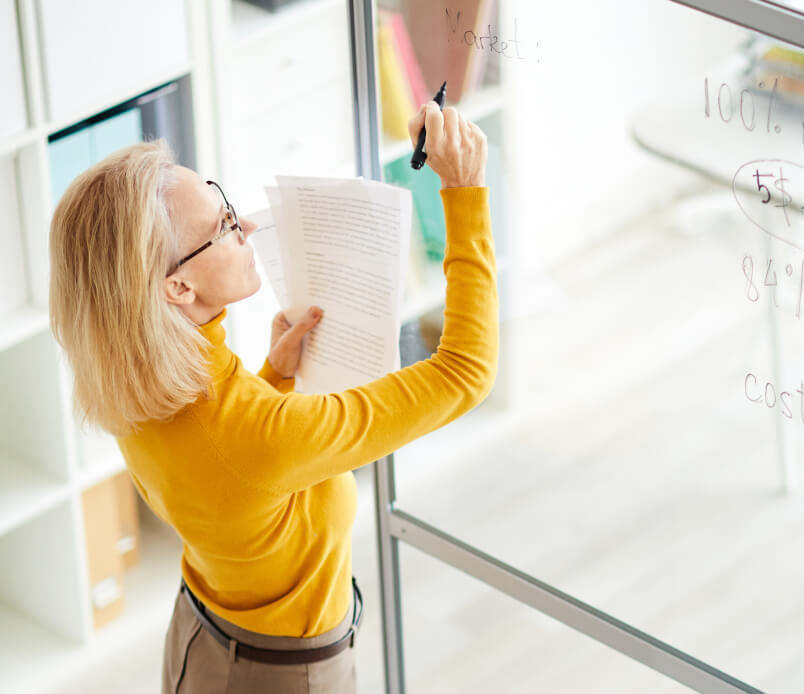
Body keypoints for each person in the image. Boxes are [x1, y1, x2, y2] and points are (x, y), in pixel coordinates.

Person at [47, 100, 497, 694]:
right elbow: (466, 371)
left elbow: (224, 480)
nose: (247, 226)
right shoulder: (254, 432)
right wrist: (464, 192)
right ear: (177, 286)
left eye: (225, 204)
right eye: (224, 227)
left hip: (201, 642)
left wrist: (271, 378)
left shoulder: (129, 381)